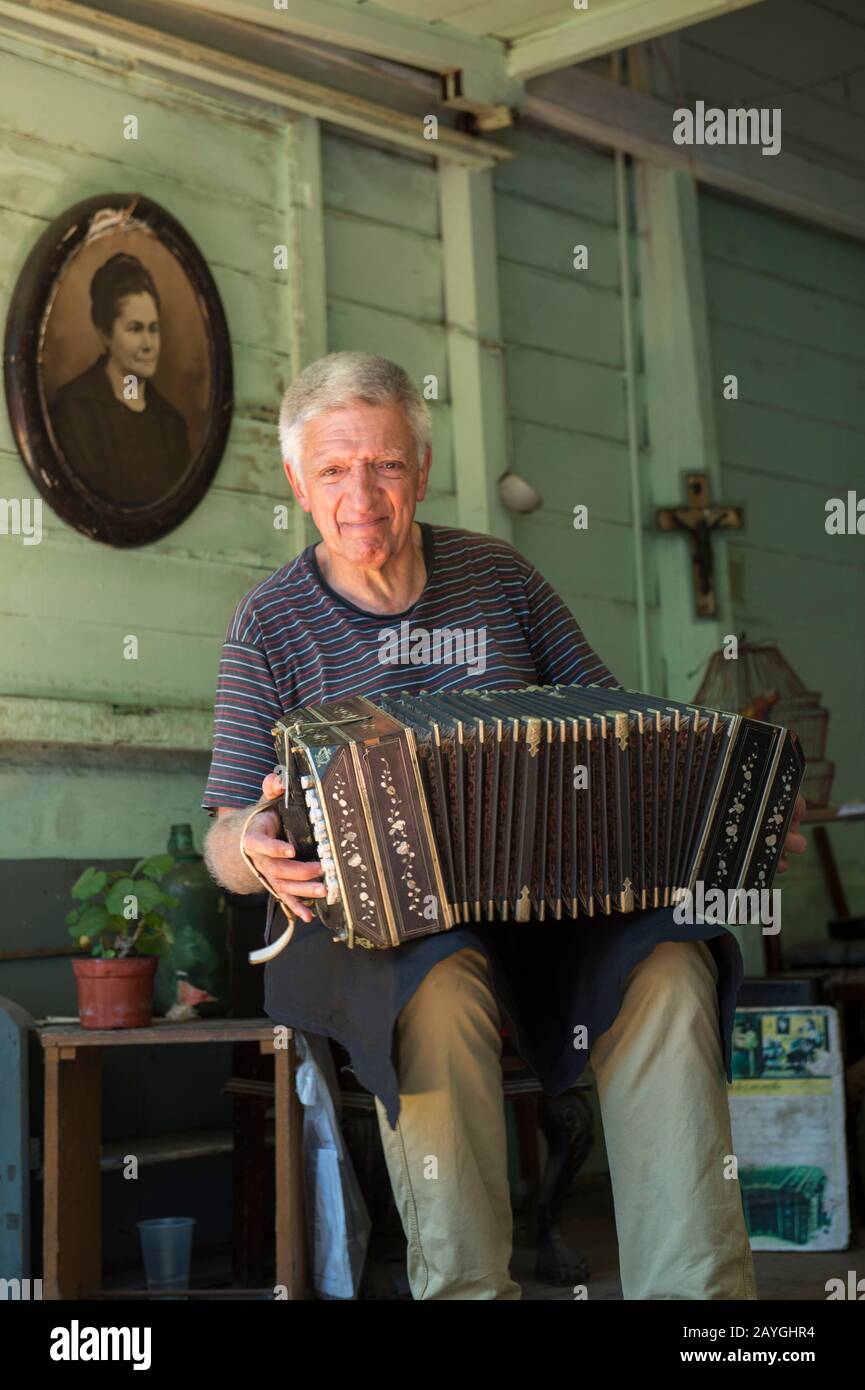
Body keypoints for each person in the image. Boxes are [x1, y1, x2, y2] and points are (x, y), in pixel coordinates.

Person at [201, 351, 807, 1300]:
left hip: (557, 907)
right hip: (379, 933)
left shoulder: (500, 575)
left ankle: (701, 1309)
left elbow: (621, 733)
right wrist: (248, 847)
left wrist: (729, 807)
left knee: (672, 964)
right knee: (433, 991)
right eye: (332, 469)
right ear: (296, 483)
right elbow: (222, 829)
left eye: (385, 464)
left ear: (421, 470)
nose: (360, 493)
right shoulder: (269, 622)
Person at [49, 252, 190, 507]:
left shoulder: (171, 425)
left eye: (153, 329)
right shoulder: (75, 410)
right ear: (105, 334)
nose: (149, 345)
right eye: (135, 329)